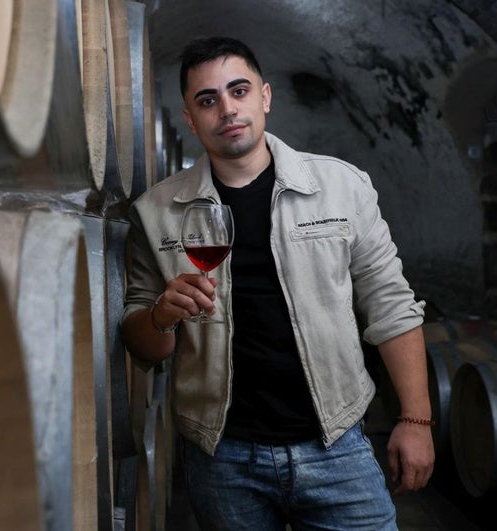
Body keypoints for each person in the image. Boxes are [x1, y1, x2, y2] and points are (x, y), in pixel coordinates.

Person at [121, 36, 434, 530]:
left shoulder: (341, 186)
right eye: (207, 100)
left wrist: (416, 420)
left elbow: (390, 305)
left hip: (336, 446)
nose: (227, 109)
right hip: (224, 457)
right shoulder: (156, 212)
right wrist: (160, 315)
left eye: (238, 90)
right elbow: (143, 346)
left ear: (264, 96)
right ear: (189, 117)